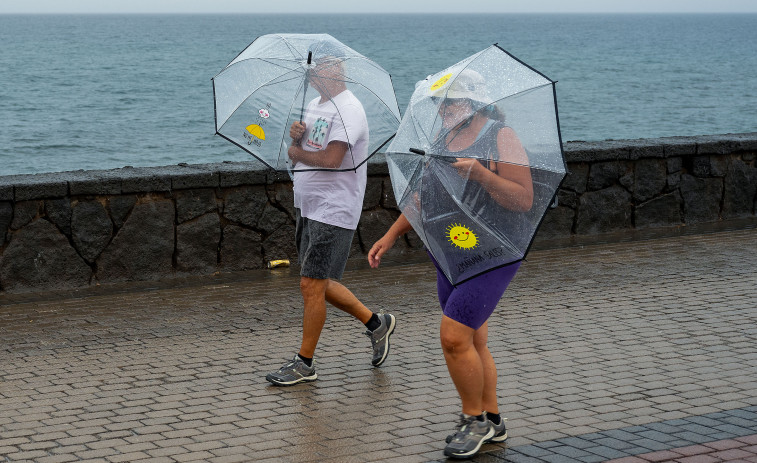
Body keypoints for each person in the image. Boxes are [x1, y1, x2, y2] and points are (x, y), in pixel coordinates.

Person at [368, 70, 533, 459]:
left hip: (492, 253)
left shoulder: (500, 136)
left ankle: (472, 419)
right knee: (474, 340)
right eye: (439, 103)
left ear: (473, 102)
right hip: (450, 253)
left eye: (451, 102)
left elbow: (524, 199)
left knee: (453, 337)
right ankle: (492, 419)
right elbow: (423, 197)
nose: (443, 110)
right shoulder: (441, 140)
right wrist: (391, 235)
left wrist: (479, 173)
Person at [265, 41, 396, 386]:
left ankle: (305, 363)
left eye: (325, 69)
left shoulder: (348, 110)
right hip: (307, 204)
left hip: (334, 208)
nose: (317, 75)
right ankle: (376, 324)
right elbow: (307, 151)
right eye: (315, 71)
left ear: (337, 73)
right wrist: (299, 136)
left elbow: (332, 160)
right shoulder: (314, 104)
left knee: (311, 283)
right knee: (318, 280)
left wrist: (296, 149)